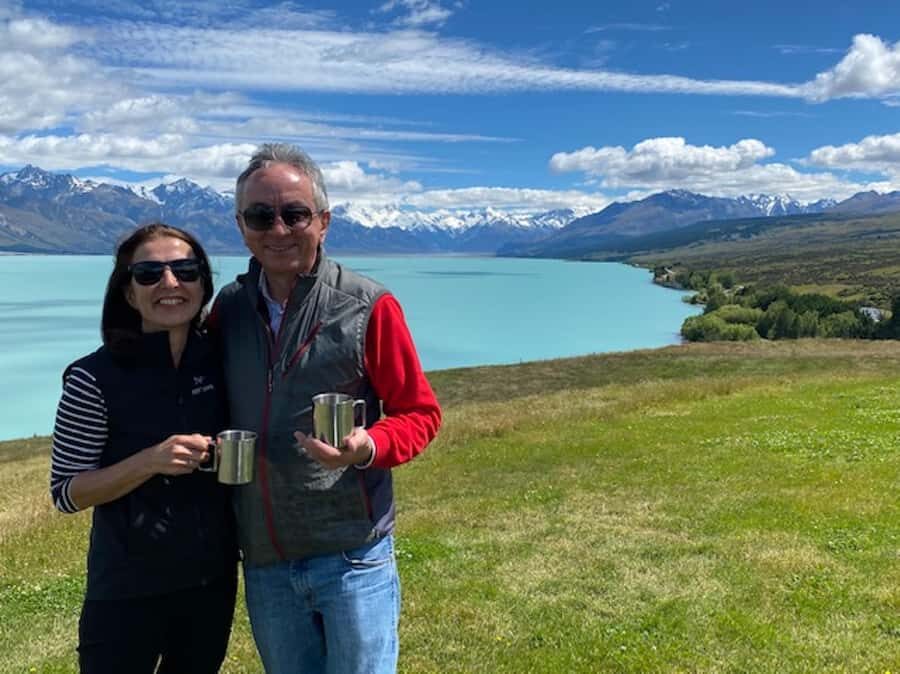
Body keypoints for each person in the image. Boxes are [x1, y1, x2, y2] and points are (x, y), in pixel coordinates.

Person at [210, 143, 441, 673]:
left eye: (295, 214)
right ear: (241, 226)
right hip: (265, 558)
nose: (278, 229)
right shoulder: (229, 309)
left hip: (351, 557)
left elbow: (420, 413)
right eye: (260, 216)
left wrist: (369, 446)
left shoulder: (367, 306)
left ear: (324, 221)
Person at [49, 223, 237, 673]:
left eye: (185, 270)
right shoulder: (92, 378)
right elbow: (67, 492)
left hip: (212, 582)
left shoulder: (225, 363)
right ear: (129, 293)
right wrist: (149, 461)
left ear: (203, 284)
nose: (170, 284)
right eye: (149, 273)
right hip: (126, 587)